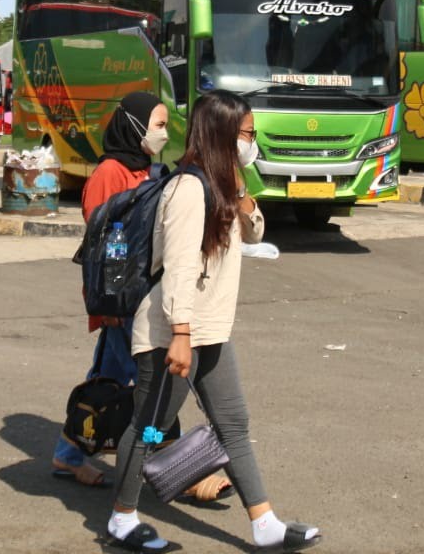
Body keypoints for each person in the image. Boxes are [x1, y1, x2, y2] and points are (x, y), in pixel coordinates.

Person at [104, 90, 321, 553]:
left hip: (212, 330)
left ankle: (265, 524)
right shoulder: (187, 189)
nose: (252, 142)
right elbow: (180, 267)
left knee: (233, 424)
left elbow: (255, 232)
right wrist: (181, 334)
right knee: (149, 428)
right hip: (173, 331)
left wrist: (239, 187)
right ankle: (121, 519)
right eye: (247, 134)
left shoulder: (221, 185)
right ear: (223, 134)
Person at [52, 92, 232, 502]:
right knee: (156, 389)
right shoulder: (110, 173)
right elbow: (103, 243)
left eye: (166, 125)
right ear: (133, 126)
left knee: (112, 384)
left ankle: (69, 453)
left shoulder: (149, 170)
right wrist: (113, 302)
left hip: (145, 296)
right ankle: (180, 469)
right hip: (124, 302)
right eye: (158, 125)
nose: (164, 134)